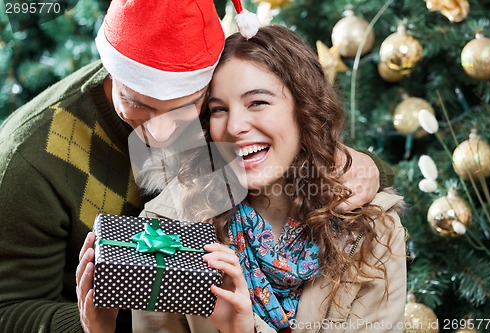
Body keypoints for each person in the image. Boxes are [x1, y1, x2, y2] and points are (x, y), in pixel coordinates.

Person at [0, 1, 391, 332]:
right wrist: (124, 316)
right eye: (140, 104)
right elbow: (8, 310)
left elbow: (286, 140)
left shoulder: (218, 113)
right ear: (114, 72)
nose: (162, 132)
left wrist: (365, 165)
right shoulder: (30, 160)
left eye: (187, 107)